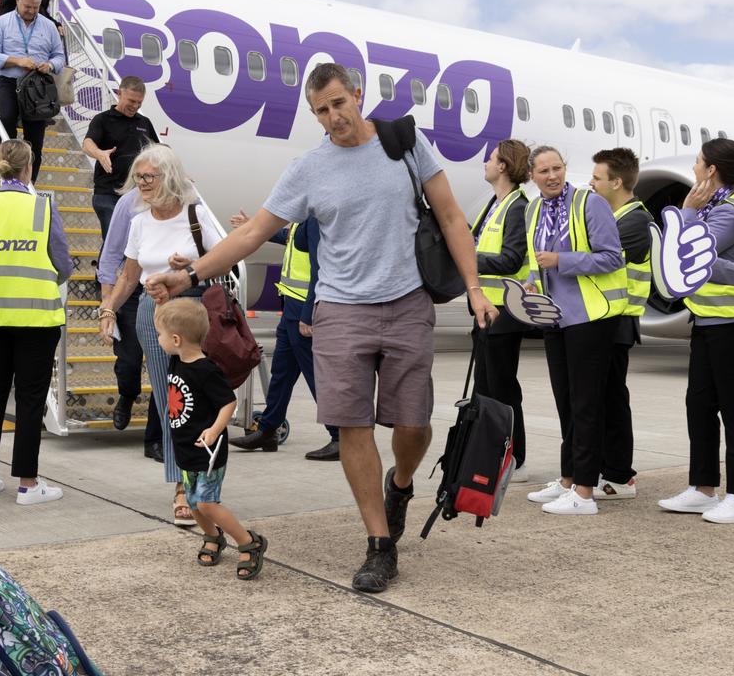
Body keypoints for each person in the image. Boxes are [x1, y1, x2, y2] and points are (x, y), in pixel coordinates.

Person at [145, 63, 499, 593]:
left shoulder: (404, 143)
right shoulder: (309, 168)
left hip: (407, 304)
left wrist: (473, 288)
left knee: (413, 424)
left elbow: (450, 215)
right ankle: (380, 544)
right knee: (352, 425)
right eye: (321, 111)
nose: (333, 117)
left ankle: (399, 484)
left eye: (339, 103)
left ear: (358, 95)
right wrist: (191, 273)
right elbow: (255, 233)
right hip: (340, 310)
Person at [99, 144, 226, 527]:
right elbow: (128, 276)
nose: (142, 184)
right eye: (138, 178)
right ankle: (181, 485)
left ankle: (204, 480)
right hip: (152, 318)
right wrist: (108, 309)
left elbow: (225, 260)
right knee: (170, 407)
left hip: (192, 316)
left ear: (168, 176)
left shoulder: (195, 215)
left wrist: (191, 266)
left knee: (198, 403)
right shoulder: (139, 221)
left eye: (148, 177)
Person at [657, 138, 734, 523]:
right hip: (706, 320)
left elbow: (692, 251)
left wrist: (686, 210)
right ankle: (703, 487)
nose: (695, 168)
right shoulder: (718, 205)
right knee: (699, 405)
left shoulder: (730, 211)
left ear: (711, 171)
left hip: (733, 325)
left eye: (698, 162)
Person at [0, 139, 73, 505]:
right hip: (37, 318)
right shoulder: (43, 208)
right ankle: (28, 483)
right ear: (29, 168)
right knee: (30, 399)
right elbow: (63, 263)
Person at [521, 146, 626, 517]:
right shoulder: (534, 209)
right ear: (532, 176)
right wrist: (534, 284)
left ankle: (584, 491)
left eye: (557, 168)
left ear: (566, 168)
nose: (552, 176)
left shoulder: (589, 203)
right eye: (544, 171)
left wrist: (562, 261)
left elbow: (612, 256)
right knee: (565, 401)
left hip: (590, 316)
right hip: (554, 317)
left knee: (586, 404)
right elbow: (536, 259)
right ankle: (569, 478)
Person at [155, 298, 269, 580]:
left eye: (161, 335)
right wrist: (161, 303)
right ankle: (213, 535)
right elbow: (166, 320)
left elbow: (228, 402)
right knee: (193, 503)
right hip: (185, 448)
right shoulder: (177, 360)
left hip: (208, 450)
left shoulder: (206, 370)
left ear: (177, 339)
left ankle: (248, 542)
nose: (159, 340)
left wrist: (215, 429)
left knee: (207, 503)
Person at [226, 212, 341, 460]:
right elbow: (288, 236)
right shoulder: (303, 219)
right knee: (282, 373)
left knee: (316, 376)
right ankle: (268, 429)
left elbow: (321, 270)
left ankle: (340, 436)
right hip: (290, 306)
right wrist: (253, 226)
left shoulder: (315, 220)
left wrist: (309, 314)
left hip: (303, 309)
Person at [588, 148, 652, 500]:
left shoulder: (635, 221)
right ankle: (600, 468)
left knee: (612, 399)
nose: (591, 183)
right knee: (600, 398)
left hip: (618, 321)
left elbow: (601, 263)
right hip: (602, 318)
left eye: (597, 178)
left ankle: (619, 475)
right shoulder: (613, 218)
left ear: (616, 182)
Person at [470, 139, 531, 482]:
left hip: (505, 313)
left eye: (491, 158)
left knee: (503, 389)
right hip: (485, 312)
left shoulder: (517, 207)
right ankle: (493, 453)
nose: (486, 163)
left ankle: (515, 458)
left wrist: (467, 259)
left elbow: (510, 259)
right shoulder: (494, 204)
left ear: (503, 166)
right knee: (485, 389)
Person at [98, 185, 172, 462]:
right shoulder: (130, 204)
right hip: (130, 292)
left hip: (166, 293)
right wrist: (108, 303)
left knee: (162, 370)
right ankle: (127, 395)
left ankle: (154, 439)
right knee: (129, 360)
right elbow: (111, 253)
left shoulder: (187, 201)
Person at [0, 0, 65, 185]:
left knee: (35, 139)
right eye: (27, 6)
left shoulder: (48, 26)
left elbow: (59, 57)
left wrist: (50, 65)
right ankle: (5, 178)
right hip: (10, 81)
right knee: (7, 120)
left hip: (37, 86)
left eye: (35, 7)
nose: (30, 11)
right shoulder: (1, 22)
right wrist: (17, 60)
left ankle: (30, 185)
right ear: (17, 0)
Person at [84, 76, 160, 236]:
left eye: (139, 102)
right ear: (119, 93)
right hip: (107, 194)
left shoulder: (144, 122)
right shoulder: (103, 119)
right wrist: (99, 153)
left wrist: (177, 173)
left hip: (136, 194)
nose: (135, 106)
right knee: (114, 241)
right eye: (132, 101)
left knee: (134, 243)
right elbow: (88, 143)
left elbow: (159, 152)